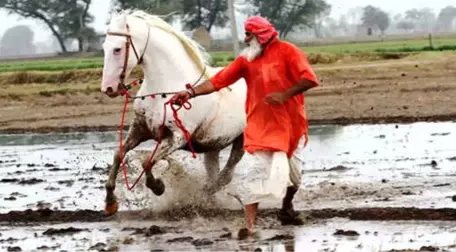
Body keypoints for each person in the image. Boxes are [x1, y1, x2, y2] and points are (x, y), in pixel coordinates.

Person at [171, 15, 319, 238]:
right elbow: (218, 80)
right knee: (256, 174)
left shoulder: (288, 51)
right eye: (246, 33)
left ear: (262, 35)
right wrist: (190, 92)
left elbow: (309, 79)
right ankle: (249, 227)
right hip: (260, 125)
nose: (245, 38)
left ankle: (287, 207)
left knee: (294, 177)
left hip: (290, 125)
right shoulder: (246, 60)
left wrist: (284, 95)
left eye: (249, 34)